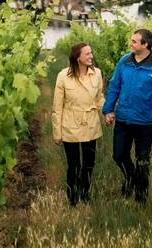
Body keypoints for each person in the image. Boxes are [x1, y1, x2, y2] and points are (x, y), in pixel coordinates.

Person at [102, 28, 152, 204]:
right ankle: (130, 179)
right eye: (131, 40)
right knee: (119, 155)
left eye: (134, 41)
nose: (130, 43)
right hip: (124, 119)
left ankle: (141, 198)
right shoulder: (124, 61)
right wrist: (108, 110)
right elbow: (114, 86)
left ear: (145, 44)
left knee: (142, 160)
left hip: (146, 122)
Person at [52, 42, 104, 205]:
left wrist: (107, 111)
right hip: (70, 126)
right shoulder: (63, 76)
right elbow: (57, 107)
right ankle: (72, 197)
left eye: (91, 53)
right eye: (87, 54)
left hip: (91, 125)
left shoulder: (97, 74)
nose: (91, 56)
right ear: (78, 57)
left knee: (89, 164)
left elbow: (99, 98)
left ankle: (85, 193)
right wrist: (57, 133)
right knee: (73, 165)